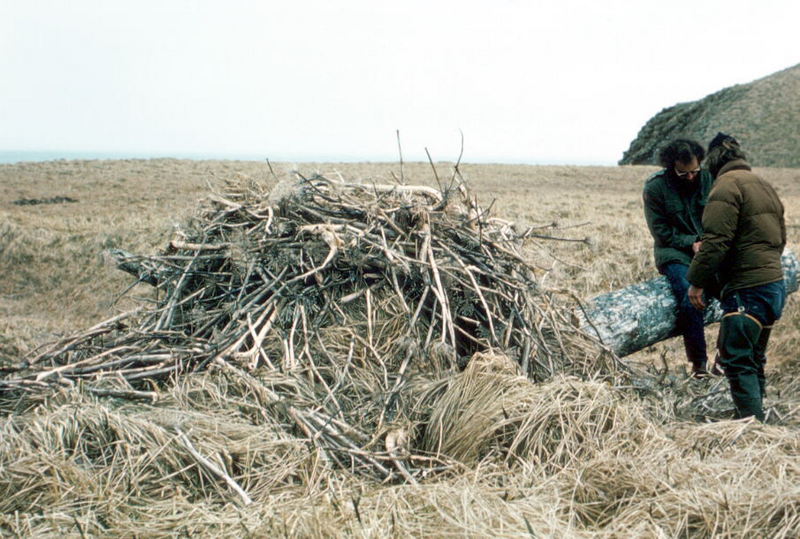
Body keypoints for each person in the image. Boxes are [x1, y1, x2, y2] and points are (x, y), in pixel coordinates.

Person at [688, 132, 786, 421]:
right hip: (773, 285)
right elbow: (780, 238)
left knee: (735, 358)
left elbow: (716, 242)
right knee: (753, 357)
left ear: (713, 163)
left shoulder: (725, 188)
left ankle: (750, 427)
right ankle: (758, 419)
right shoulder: (764, 185)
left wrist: (697, 281)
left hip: (747, 288)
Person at [643, 139, 714, 377]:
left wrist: (708, 243)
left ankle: (727, 360)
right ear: (671, 165)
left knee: (739, 287)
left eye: (695, 171)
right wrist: (690, 243)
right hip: (673, 253)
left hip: (708, 249)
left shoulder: (708, 179)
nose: (691, 178)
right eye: (684, 174)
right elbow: (660, 232)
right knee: (689, 296)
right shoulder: (655, 188)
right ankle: (699, 364)